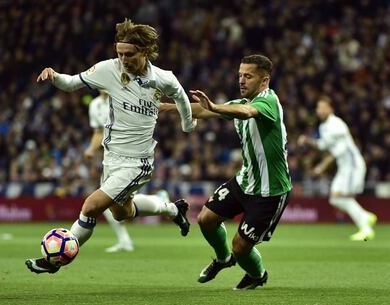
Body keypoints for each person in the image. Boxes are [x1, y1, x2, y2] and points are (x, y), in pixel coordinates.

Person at [26, 19, 196, 274]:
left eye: (129, 54)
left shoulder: (164, 78)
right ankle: (173, 208)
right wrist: (55, 76)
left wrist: (187, 124)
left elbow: (181, 97)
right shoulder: (109, 70)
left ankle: (54, 262)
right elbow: (72, 83)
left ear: (145, 51)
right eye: (119, 53)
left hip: (138, 162)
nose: (123, 59)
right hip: (112, 157)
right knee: (121, 213)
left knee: (91, 205)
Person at [161, 54, 292, 290]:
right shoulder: (238, 104)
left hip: (270, 191)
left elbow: (247, 112)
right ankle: (223, 259)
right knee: (206, 219)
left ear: (264, 81)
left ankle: (257, 275)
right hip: (245, 181)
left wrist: (214, 106)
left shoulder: (268, 102)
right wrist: (164, 107)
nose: (241, 80)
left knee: (241, 246)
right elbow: (199, 111)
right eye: (240, 75)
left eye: (248, 76)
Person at [298, 96, 377, 241]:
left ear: (331, 108)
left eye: (323, 107)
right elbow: (323, 146)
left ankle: (366, 227)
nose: (319, 110)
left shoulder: (337, 125)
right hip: (344, 167)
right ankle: (365, 216)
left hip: (352, 166)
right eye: (318, 107)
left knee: (339, 198)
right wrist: (308, 141)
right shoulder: (324, 126)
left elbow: (336, 152)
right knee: (335, 199)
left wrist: (321, 167)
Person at [85, 90, 134, 252]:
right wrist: (91, 149)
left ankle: (159, 201)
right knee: (112, 202)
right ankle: (124, 240)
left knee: (111, 199)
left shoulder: (122, 98)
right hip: (110, 157)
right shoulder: (95, 105)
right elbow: (99, 132)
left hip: (129, 153)